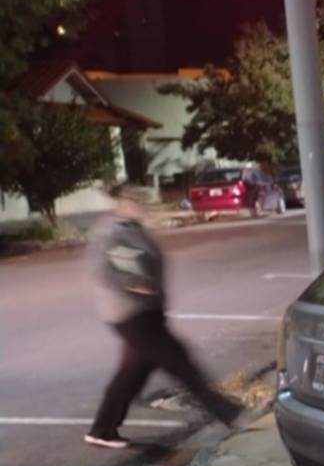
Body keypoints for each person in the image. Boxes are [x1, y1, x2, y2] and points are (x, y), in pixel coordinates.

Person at [85, 184, 241, 448]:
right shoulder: (110, 231)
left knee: (131, 373)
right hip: (130, 313)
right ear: (121, 203)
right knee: (179, 361)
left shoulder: (133, 228)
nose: (140, 205)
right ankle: (230, 414)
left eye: (141, 201)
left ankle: (102, 430)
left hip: (149, 311)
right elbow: (101, 270)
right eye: (134, 200)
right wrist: (131, 282)